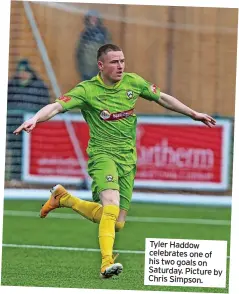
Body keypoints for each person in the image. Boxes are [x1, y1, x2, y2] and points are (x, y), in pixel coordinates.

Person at [13, 44, 216, 279]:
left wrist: (194, 114)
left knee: (117, 222)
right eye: (114, 62)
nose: (120, 66)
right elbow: (56, 106)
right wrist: (36, 119)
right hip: (102, 156)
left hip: (127, 160)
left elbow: (162, 98)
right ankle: (106, 263)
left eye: (122, 61)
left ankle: (64, 198)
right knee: (110, 206)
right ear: (101, 65)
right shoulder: (87, 90)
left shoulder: (133, 82)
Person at [6, 59, 50, 181]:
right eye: (20, 72)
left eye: (25, 72)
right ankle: (15, 178)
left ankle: (33, 178)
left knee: (32, 152)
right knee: (16, 152)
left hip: (34, 128)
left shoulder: (39, 86)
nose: (22, 75)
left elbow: (45, 106)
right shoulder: (11, 85)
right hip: (14, 125)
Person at [75, 9, 111, 81]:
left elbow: (109, 50)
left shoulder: (104, 32)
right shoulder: (85, 33)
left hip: (100, 67)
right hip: (86, 68)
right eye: (91, 18)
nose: (93, 20)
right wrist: (80, 67)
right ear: (87, 19)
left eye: (95, 18)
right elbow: (79, 52)